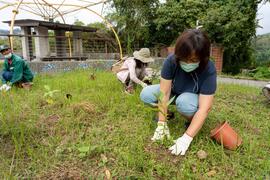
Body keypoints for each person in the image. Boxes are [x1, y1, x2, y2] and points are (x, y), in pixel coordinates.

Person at [140, 29, 217, 155]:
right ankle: (167, 115)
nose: (187, 63)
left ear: (202, 58)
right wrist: (161, 123)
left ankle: (193, 121)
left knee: (184, 103)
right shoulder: (171, 60)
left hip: (190, 99)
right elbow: (164, 93)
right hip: (174, 92)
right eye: (184, 59)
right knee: (146, 94)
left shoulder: (209, 69)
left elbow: (205, 108)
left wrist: (186, 139)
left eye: (193, 60)